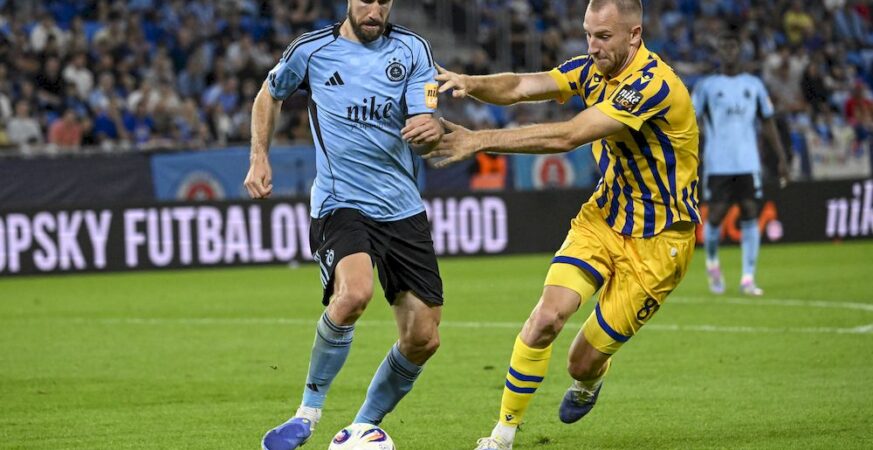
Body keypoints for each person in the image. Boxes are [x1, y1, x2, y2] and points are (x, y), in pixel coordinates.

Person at [426, 1, 700, 448]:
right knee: (546, 319)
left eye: (603, 37)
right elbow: (521, 85)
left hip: (660, 242)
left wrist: (480, 140)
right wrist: (470, 83)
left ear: (634, 35)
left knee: (580, 362)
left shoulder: (652, 85)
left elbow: (570, 135)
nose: (592, 46)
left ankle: (590, 381)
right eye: (588, 34)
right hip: (603, 218)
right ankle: (502, 434)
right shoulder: (590, 69)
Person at [245, 1, 445, 449]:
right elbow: (269, 94)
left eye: (384, 1)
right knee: (354, 293)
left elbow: (425, 116)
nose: (375, 10)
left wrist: (428, 128)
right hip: (341, 202)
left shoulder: (414, 50)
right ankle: (307, 413)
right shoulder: (311, 50)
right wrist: (259, 156)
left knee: (424, 338)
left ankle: (358, 429)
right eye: (367, 0)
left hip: (402, 207)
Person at [692, 33, 790, 296]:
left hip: (748, 162)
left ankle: (748, 277)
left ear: (740, 51)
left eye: (733, 46)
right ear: (719, 52)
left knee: (750, 212)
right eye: (724, 47)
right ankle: (713, 265)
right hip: (718, 162)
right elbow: (692, 122)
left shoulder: (754, 85)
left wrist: (781, 158)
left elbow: (767, 122)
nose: (729, 51)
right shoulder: (706, 87)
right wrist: (693, 155)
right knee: (715, 215)